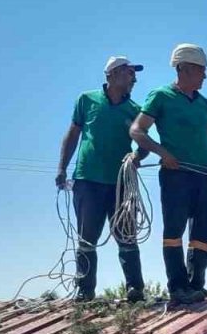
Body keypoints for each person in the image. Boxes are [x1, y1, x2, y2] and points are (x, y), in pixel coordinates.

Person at [130, 43, 207, 304]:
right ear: (183, 69)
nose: (205, 76)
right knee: (174, 229)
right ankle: (178, 287)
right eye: (201, 71)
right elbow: (137, 130)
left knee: (205, 230)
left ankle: (196, 284)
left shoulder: (205, 104)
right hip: (175, 174)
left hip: (204, 174)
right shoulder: (160, 96)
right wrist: (163, 154)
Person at [55, 55, 147, 302]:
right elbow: (73, 134)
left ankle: (135, 288)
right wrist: (62, 168)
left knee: (127, 235)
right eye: (129, 73)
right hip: (88, 179)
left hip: (120, 182)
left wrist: (137, 156)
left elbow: (143, 143)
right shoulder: (86, 100)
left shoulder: (135, 110)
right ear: (113, 74)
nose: (134, 78)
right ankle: (85, 291)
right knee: (87, 236)